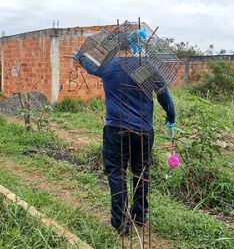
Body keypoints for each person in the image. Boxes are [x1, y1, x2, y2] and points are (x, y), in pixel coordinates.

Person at [73, 51, 176, 235]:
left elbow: (89, 65)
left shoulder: (108, 65)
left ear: (118, 44)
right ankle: (140, 216)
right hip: (143, 131)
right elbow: (163, 96)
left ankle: (120, 223)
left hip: (116, 130)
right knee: (141, 171)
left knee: (117, 172)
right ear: (141, 47)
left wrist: (79, 56)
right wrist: (171, 115)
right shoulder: (148, 68)